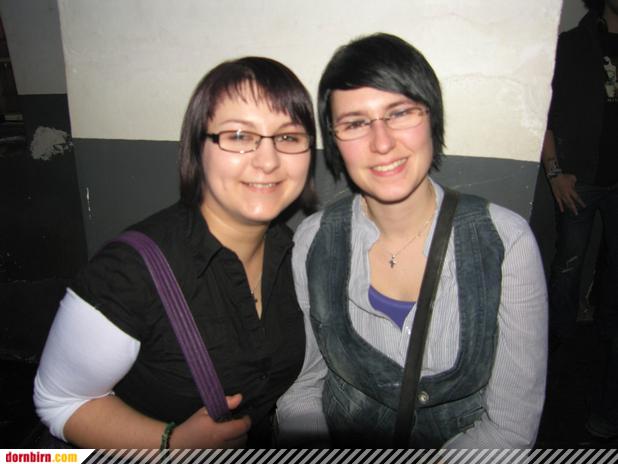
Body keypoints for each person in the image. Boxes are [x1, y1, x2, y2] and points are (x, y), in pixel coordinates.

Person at [276, 33, 548, 449]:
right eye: (355, 123)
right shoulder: (313, 241)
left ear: (432, 118)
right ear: (334, 141)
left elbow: (510, 428)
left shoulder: (505, 242)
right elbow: (301, 387)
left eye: (400, 112)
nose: (382, 143)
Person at [33, 57, 316, 448]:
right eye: (238, 135)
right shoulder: (129, 273)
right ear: (198, 148)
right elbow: (60, 401)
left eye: (288, 137)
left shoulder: (294, 252)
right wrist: (170, 444)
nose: (268, 160)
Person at [542, 0, 618, 439]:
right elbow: (545, 111)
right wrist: (554, 172)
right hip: (581, 181)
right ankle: (551, 365)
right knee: (567, 271)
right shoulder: (572, 45)